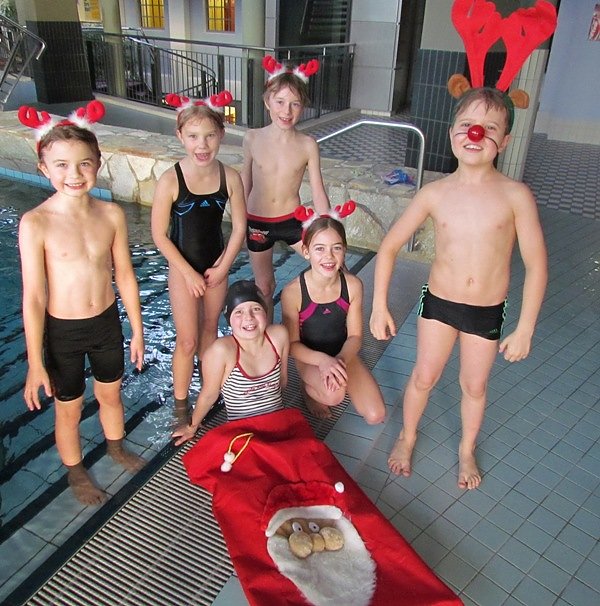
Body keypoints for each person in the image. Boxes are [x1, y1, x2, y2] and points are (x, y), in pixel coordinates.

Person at [369, 87, 548, 489]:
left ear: (504, 141)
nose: (475, 134)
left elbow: (537, 265)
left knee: (474, 385)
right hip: (439, 304)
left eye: (489, 128)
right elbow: (389, 246)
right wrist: (379, 305)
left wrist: (525, 328)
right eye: (467, 125)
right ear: (452, 133)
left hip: (486, 311)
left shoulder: (515, 196)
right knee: (424, 376)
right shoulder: (435, 193)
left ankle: (467, 449)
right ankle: (407, 435)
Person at [19, 112, 146, 506]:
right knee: (69, 410)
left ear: (98, 164)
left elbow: (125, 276)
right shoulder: (36, 222)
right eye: (61, 165)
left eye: (84, 164)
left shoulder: (111, 215)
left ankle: (116, 447)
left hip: (106, 324)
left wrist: (137, 330)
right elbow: (34, 296)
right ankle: (76, 472)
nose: (74, 174)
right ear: (43, 167)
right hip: (63, 333)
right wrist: (35, 363)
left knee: (111, 395)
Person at [151, 98, 246, 424]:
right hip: (183, 271)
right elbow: (159, 235)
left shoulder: (229, 177)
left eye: (209, 136)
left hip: (216, 268)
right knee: (187, 339)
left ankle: (208, 392)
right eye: (193, 136)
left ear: (222, 134)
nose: (202, 145)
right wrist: (188, 274)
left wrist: (223, 267)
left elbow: (240, 228)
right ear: (180, 136)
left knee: (210, 330)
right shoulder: (171, 180)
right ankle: (181, 406)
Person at [241, 58, 330, 320]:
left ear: (303, 107)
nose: (286, 111)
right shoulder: (252, 138)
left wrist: (327, 229)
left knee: (329, 266)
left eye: (295, 104)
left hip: (293, 220)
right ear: (267, 102)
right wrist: (239, 223)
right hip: (257, 221)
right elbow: (245, 181)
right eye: (280, 102)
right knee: (265, 287)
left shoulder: (307, 144)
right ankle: (266, 336)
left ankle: (326, 323)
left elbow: (318, 190)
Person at [281, 215, 386, 424]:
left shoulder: (353, 286)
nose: (328, 256)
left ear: (344, 250)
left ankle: (331, 375)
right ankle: (308, 389)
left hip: (343, 355)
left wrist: (338, 361)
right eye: (319, 249)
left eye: (336, 248)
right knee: (333, 395)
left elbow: (355, 337)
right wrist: (323, 361)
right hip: (309, 358)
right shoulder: (293, 292)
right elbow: (291, 345)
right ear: (306, 251)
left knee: (376, 416)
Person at [172, 280, 289, 445]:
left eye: (256, 309)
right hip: (242, 433)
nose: (248, 317)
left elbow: (283, 380)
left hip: (278, 424)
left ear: (266, 311)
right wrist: (192, 427)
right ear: (229, 319)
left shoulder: (279, 336)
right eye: (239, 312)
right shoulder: (221, 351)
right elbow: (209, 395)